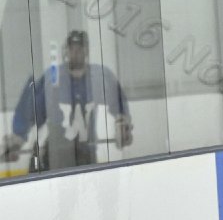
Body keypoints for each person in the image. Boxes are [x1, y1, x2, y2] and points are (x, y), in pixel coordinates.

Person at [1, 30, 133, 172]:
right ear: (66, 50)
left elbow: (118, 101)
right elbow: (31, 110)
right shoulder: (54, 77)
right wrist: (18, 139)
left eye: (79, 48)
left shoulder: (98, 76)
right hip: (56, 155)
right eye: (72, 48)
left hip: (86, 154)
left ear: (86, 50)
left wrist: (122, 126)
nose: (75, 52)